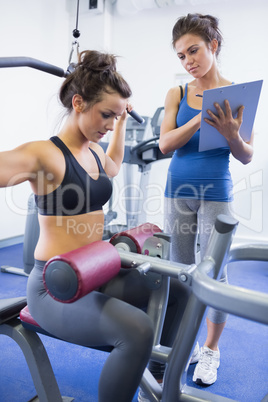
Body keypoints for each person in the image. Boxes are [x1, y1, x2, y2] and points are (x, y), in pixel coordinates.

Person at [0, 49, 155, 402]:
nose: (110, 124)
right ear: (79, 102)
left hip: (93, 271)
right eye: (106, 115)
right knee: (138, 330)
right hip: (54, 287)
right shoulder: (44, 155)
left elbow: (114, 164)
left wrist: (123, 122)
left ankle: (154, 383)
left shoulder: (96, 152)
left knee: (172, 290)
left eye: (116, 117)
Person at [158, 13, 254, 387]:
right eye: (181, 56)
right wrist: (199, 119)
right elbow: (165, 144)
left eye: (194, 50)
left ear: (213, 45)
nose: (188, 61)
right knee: (180, 271)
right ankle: (189, 345)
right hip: (177, 192)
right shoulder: (177, 94)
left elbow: (246, 155)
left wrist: (231, 133)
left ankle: (212, 349)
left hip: (216, 190)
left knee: (215, 272)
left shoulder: (238, 93)